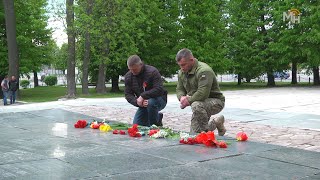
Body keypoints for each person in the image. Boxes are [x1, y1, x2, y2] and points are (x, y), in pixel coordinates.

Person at [175, 48, 226, 135]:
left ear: (191, 60)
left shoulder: (204, 71)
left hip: (216, 102)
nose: (181, 68)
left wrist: (187, 101)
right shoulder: (182, 72)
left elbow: (202, 93)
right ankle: (217, 123)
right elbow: (179, 89)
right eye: (180, 65)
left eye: (183, 65)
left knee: (196, 105)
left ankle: (206, 132)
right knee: (194, 134)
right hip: (199, 103)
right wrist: (181, 97)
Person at [124, 55, 168, 127]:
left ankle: (155, 125)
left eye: (134, 69)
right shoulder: (128, 76)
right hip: (143, 103)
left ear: (140, 65)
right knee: (136, 126)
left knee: (150, 103)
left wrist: (143, 96)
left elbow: (159, 89)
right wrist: (137, 102)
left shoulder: (152, 71)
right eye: (130, 69)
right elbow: (128, 94)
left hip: (159, 99)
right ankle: (157, 118)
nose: (132, 72)